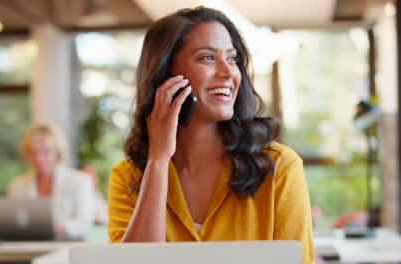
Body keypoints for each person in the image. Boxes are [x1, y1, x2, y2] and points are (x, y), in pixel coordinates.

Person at [107, 6, 315, 263]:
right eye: (207, 58)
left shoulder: (279, 167)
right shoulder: (128, 178)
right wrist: (158, 159)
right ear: (166, 76)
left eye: (232, 58)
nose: (228, 72)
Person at [8, 124, 95, 239]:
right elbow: (11, 223)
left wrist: (60, 228)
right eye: (33, 152)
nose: (39, 158)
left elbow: (85, 222)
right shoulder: (17, 184)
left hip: (66, 248)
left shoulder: (79, 180)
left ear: (58, 152)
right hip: (27, 246)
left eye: (46, 152)